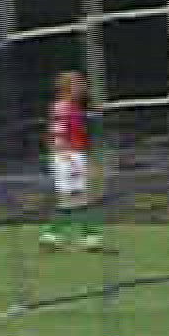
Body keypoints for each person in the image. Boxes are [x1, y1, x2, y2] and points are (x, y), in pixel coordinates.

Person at [39, 70, 103, 250]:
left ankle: (58, 236)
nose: (82, 88)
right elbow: (57, 135)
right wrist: (71, 161)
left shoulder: (74, 107)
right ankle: (86, 237)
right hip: (67, 156)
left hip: (71, 155)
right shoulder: (62, 107)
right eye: (79, 84)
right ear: (69, 87)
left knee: (76, 198)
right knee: (75, 198)